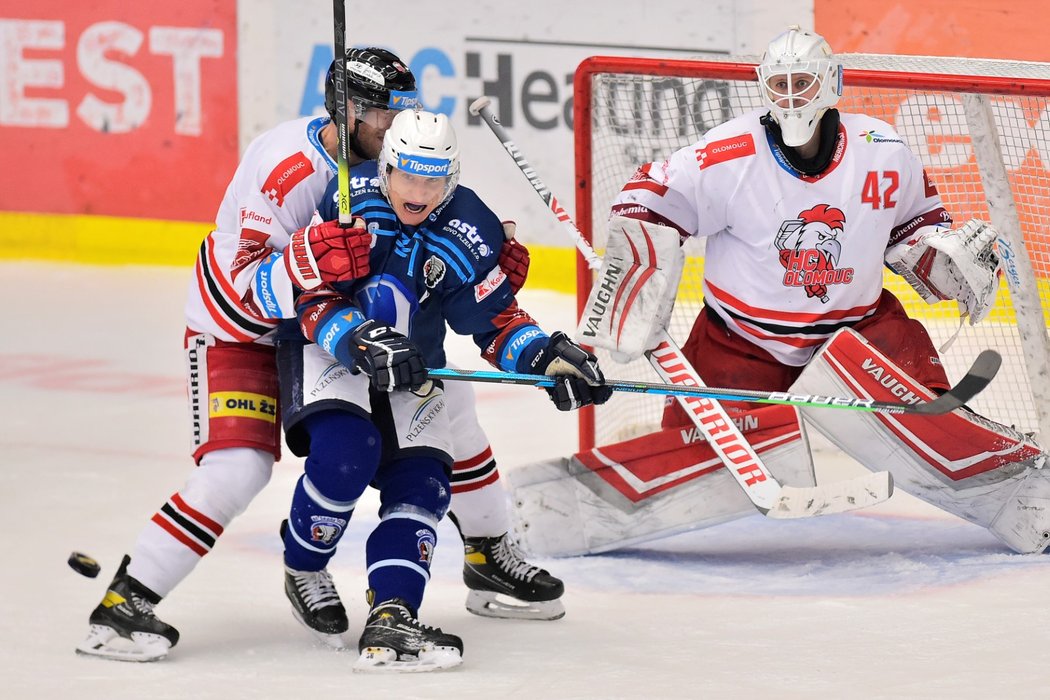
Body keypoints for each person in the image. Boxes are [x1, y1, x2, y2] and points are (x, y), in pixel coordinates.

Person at [76, 48, 559, 664]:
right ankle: (126, 602)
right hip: (244, 332)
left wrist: (477, 277)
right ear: (345, 108)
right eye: (382, 112)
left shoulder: (380, 171)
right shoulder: (290, 168)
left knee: (449, 411)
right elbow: (234, 283)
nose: (393, 123)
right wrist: (305, 264)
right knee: (240, 468)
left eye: (402, 110)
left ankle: (486, 552)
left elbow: (416, 261)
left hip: (333, 333)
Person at [581, 25, 1050, 555]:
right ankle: (619, 505)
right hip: (742, 339)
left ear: (830, 84)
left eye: (801, 82)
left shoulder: (883, 150)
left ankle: (1021, 495)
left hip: (858, 330)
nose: (789, 96)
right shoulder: (727, 153)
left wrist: (945, 262)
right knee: (687, 456)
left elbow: (914, 230)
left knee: (932, 412)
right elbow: (644, 198)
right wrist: (637, 264)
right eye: (777, 84)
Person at [276, 108, 612, 671]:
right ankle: (304, 566)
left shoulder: (471, 226)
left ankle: (393, 616)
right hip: (329, 350)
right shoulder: (347, 201)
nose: (419, 190)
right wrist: (355, 338)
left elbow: (493, 322)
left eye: (433, 179)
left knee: (425, 482)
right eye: (407, 175)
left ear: (452, 178)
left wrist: (545, 358)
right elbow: (310, 297)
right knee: (346, 456)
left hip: (415, 364)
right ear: (385, 167)